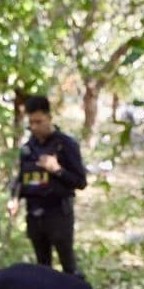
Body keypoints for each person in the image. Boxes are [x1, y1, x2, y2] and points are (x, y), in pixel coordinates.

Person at [8, 95, 87, 274]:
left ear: (49, 118)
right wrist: (14, 198)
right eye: (31, 123)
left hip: (58, 214)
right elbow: (21, 178)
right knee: (43, 268)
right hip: (35, 215)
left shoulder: (66, 145)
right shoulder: (28, 148)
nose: (34, 127)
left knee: (69, 266)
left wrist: (57, 170)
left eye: (39, 122)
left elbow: (80, 182)